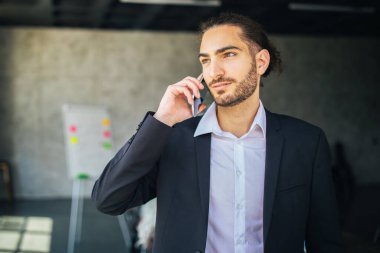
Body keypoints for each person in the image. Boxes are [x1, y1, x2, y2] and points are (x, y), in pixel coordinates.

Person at [92, 13, 342, 253]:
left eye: (228, 54)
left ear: (261, 62)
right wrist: (162, 119)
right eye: (206, 60)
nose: (214, 72)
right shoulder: (173, 138)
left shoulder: (306, 142)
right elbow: (108, 200)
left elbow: (325, 241)